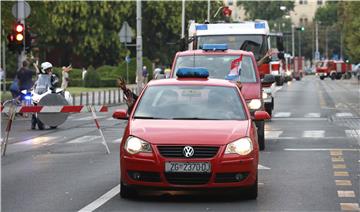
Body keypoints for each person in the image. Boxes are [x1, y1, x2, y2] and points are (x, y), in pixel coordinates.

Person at [31, 62, 58, 130]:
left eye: (50, 69)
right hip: (39, 93)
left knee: (53, 105)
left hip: (48, 93)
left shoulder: (52, 76)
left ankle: (54, 121)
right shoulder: (40, 76)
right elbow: (36, 83)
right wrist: (32, 88)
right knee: (34, 105)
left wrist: (54, 84)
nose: (49, 70)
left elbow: (56, 81)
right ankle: (33, 122)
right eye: (47, 69)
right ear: (43, 69)